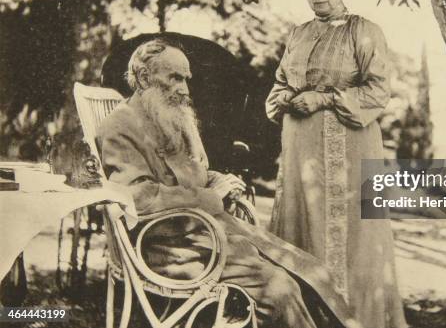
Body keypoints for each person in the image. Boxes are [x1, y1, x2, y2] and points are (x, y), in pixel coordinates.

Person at [97, 38, 360, 328]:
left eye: (186, 79)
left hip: (204, 232)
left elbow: (189, 174)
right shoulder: (120, 126)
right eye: (174, 78)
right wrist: (211, 197)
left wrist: (217, 180)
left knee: (312, 271)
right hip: (167, 246)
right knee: (280, 288)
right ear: (144, 77)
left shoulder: (164, 117)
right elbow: (139, 198)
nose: (184, 89)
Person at [265, 0, 408, 328]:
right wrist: (285, 98)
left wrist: (324, 99)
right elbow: (280, 82)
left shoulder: (364, 32)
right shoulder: (298, 34)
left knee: (353, 243)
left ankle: (353, 320)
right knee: (302, 232)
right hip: (300, 153)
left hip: (349, 150)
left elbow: (378, 92)